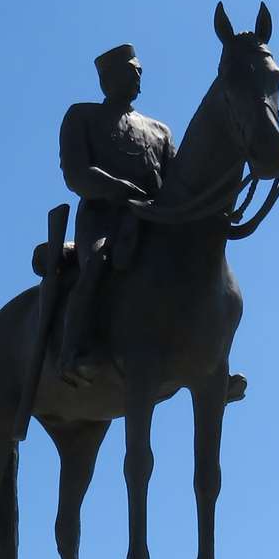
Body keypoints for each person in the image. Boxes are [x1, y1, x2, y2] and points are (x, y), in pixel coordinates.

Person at [57, 42, 176, 384]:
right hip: (103, 218)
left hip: (154, 221)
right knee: (95, 263)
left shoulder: (160, 131)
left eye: (139, 70)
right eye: (131, 71)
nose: (138, 76)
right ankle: (73, 353)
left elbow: (176, 181)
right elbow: (76, 173)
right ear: (108, 79)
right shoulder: (82, 116)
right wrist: (120, 189)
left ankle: (211, 361)